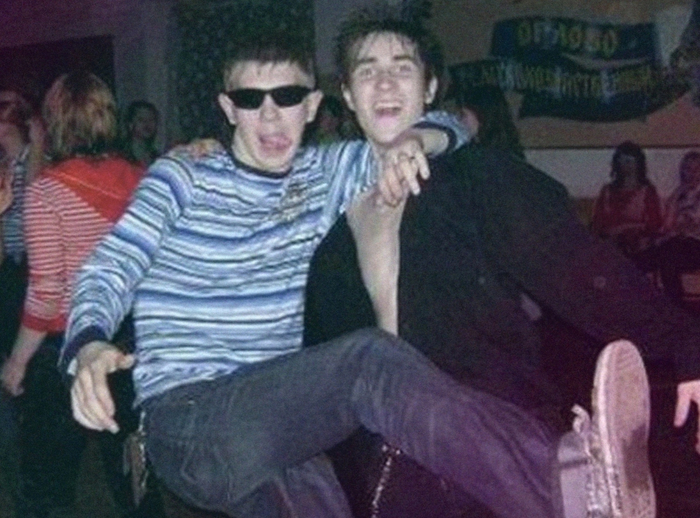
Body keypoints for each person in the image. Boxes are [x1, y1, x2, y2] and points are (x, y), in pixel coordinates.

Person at [57, 27, 508, 518]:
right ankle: (557, 485)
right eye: (251, 100)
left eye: (287, 96)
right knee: (369, 359)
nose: (270, 114)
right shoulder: (184, 175)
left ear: (311, 106)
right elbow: (113, 264)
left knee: (327, 501)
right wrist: (88, 341)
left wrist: (417, 137)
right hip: (188, 414)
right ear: (229, 109)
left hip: (272, 420)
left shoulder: (327, 173)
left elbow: (458, 125)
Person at [304, 6, 700, 518]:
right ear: (348, 95)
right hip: (394, 455)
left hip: (495, 418)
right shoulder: (334, 235)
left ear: (429, 88)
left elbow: (576, 267)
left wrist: (686, 343)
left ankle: (579, 484)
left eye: (402, 67)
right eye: (367, 71)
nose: (384, 83)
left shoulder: (475, 178)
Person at [0, 71, 143, 518]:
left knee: (45, 484)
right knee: (133, 473)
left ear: (54, 121)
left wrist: (17, 362)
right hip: (130, 340)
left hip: (68, 346)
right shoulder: (144, 179)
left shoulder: (46, 191)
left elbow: (46, 292)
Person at [591, 141, 663, 263]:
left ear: (638, 164)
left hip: (639, 246)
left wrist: (629, 229)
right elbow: (598, 222)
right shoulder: (607, 191)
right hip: (610, 246)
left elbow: (655, 223)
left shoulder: (647, 191)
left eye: (630, 161)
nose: (626, 165)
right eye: (622, 161)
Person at [454, 85, 524, 158]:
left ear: (480, 115)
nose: (458, 120)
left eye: (462, 115)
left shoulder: (484, 156)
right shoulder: (511, 152)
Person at [121, 100, 161, 168]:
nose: (147, 124)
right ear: (130, 124)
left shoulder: (156, 158)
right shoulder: (121, 155)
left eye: (151, 119)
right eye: (141, 120)